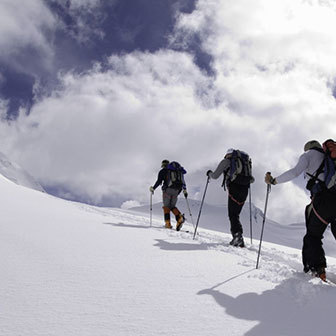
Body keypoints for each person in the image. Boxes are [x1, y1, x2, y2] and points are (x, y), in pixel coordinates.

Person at [265, 140, 336, 281]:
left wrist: (274, 181)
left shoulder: (308, 155)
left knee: (313, 236)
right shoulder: (330, 159)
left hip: (324, 201)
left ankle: (317, 270)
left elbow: (295, 172)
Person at [207, 149, 254, 247]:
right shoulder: (245, 162)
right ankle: (238, 236)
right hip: (245, 189)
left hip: (234, 187)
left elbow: (215, 176)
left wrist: (209, 174)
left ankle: (237, 237)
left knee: (233, 215)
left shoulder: (227, 161)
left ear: (227, 154)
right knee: (236, 214)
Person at [150, 160, 188, 231]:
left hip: (167, 190)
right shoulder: (178, 171)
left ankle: (168, 224)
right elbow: (183, 181)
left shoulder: (163, 171)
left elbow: (159, 181)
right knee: (172, 206)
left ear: (163, 165)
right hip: (177, 191)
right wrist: (185, 190)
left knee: (166, 207)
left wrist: (153, 188)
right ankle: (180, 218)